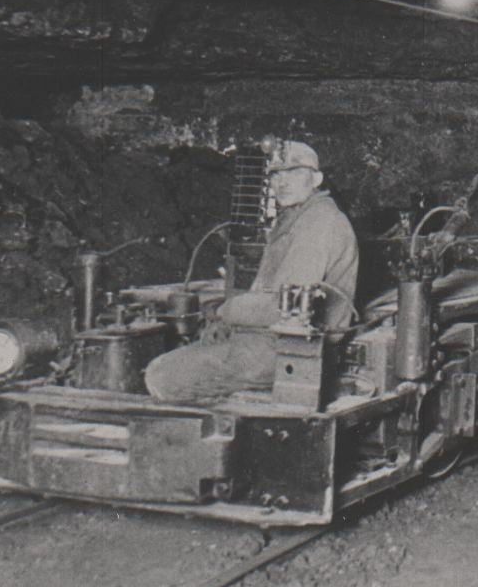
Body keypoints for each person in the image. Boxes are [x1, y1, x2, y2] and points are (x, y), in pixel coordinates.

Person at [144, 140, 359, 403]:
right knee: (183, 359)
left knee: (161, 375)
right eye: (276, 174)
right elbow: (266, 292)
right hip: (269, 338)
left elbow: (284, 307)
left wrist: (225, 311)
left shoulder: (320, 222)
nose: (282, 182)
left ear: (316, 179)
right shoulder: (295, 217)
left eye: (294, 172)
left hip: (293, 349)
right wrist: (226, 323)